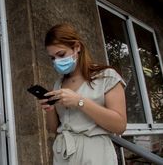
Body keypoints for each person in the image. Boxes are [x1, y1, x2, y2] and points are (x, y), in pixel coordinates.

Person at [40, 23, 127, 164]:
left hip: (95, 154)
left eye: (61, 54)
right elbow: (53, 129)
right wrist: (50, 109)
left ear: (77, 47)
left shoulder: (106, 76)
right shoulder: (58, 84)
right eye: (52, 58)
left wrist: (80, 102)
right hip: (63, 154)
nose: (57, 61)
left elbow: (120, 126)